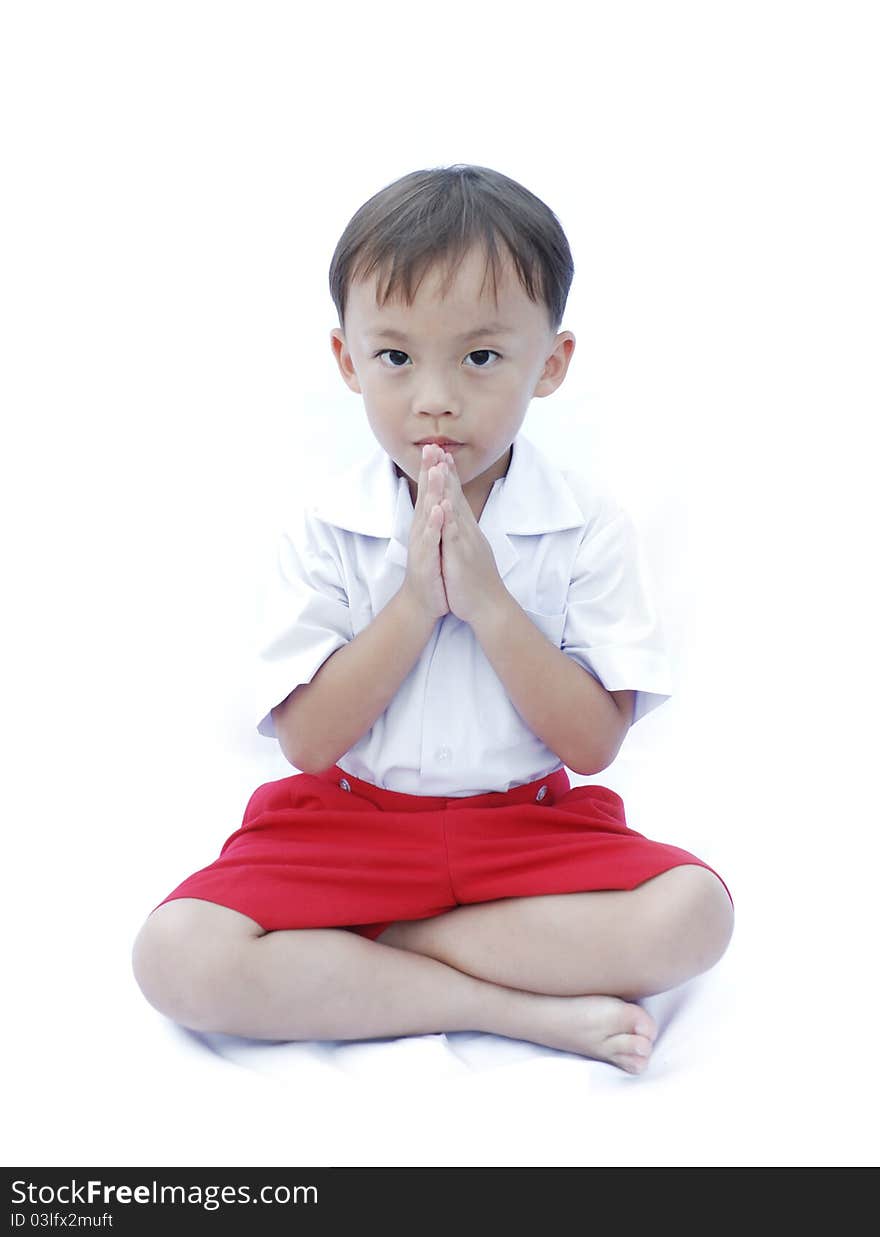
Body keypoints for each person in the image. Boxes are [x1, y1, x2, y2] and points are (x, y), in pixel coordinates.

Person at [132, 164, 734, 1074]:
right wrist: (416, 602)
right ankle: (504, 1003)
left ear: (552, 364)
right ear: (348, 359)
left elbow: (592, 745)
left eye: (481, 357)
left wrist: (489, 603)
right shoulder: (326, 525)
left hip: (523, 828)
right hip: (351, 823)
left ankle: (375, 952)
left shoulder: (587, 524)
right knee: (173, 955)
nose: (435, 396)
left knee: (696, 915)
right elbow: (307, 743)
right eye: (397, 356)